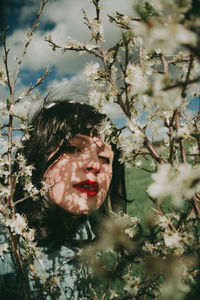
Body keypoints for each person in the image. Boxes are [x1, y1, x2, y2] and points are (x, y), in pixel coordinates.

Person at [0, 99, 127, 299]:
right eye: (73, 148)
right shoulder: (6, 250)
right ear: (35, 157)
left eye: (104, 158)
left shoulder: (88, 233)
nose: (95, 164)